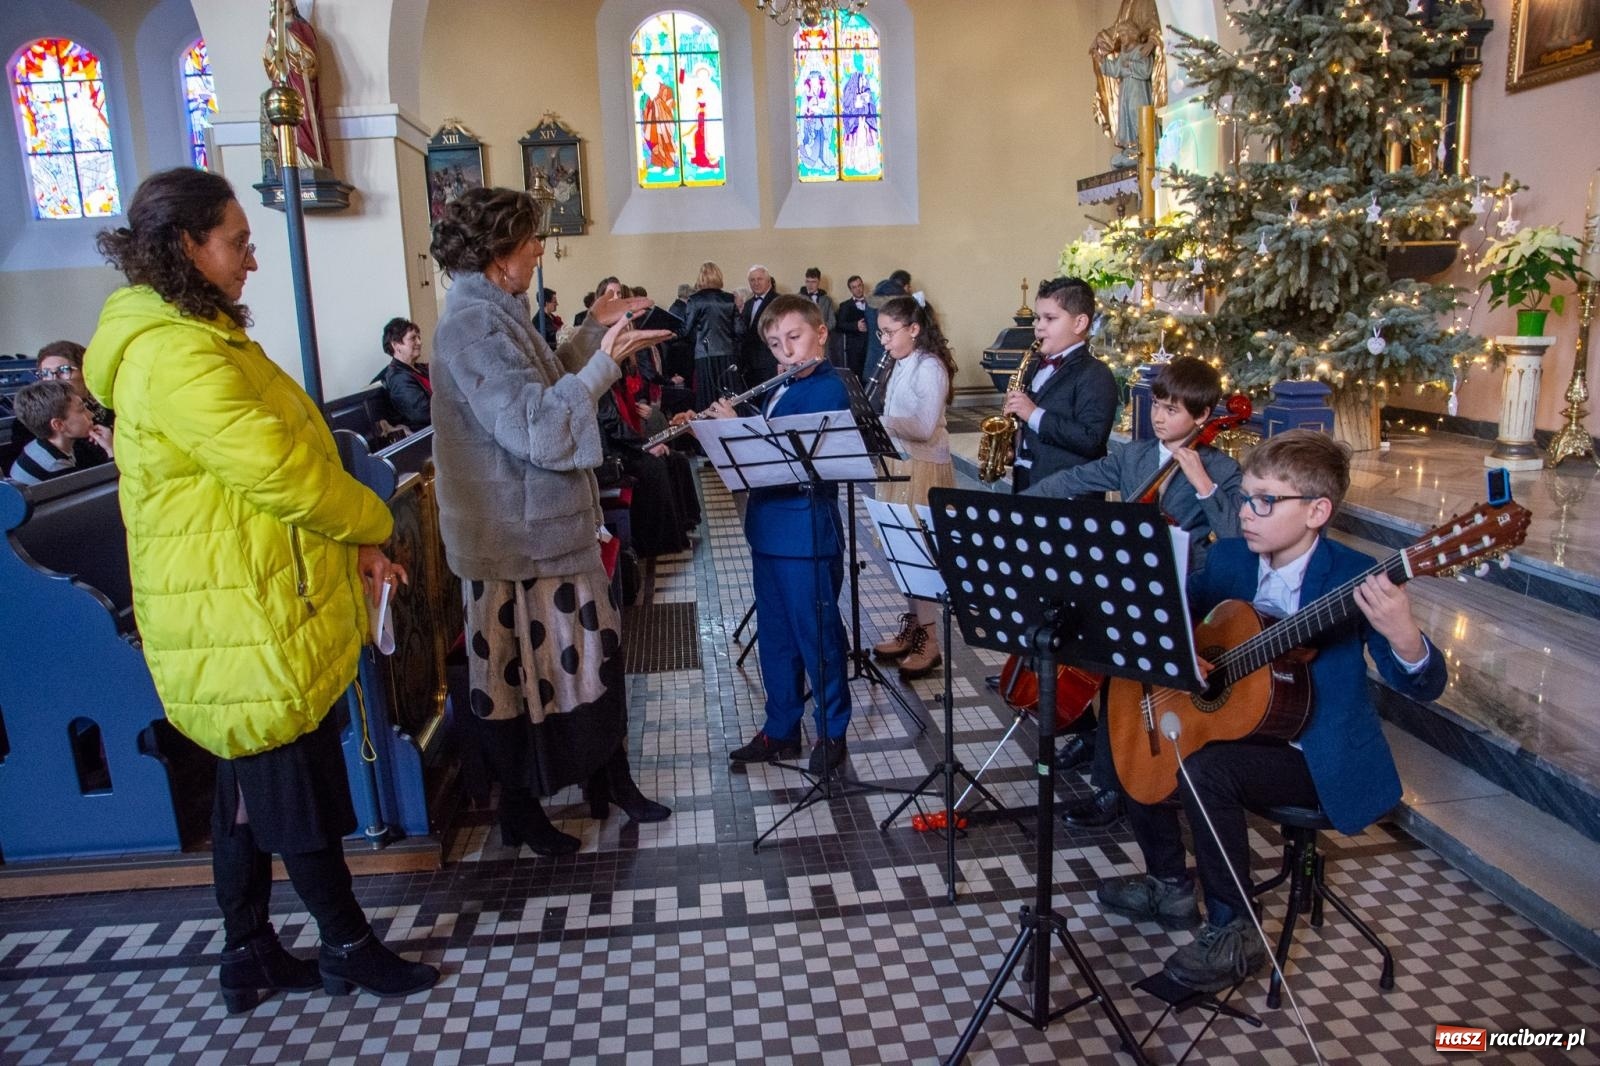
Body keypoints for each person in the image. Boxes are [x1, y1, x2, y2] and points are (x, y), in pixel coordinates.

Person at [82, 167, 436, 1008]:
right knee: (293, 782)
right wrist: (374, 523)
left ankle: (246, 952)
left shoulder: (197, 334)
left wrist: (347, 546)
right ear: (185, 247)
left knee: (247, 789)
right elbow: (279, 471)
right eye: (238, 243)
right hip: (234, 608)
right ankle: (347, 944)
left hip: (249, 595)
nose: (251, 260)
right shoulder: (173, 353)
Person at [1095, 430, 1447, 992]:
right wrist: (1185, 657)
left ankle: (1234, 930)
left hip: (1312, 750)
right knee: (1128, 717)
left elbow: (1425, 686)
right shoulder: (1233, 558)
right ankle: (1169, 883)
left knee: (1202, 766)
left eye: (1265, 501)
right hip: (1238, 723)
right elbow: (1177, 620)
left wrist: (1405, 636)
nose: (1247, 513)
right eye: (1244, 497)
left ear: (1317, 511)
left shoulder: (1354, 576)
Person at [428, 187, 674, 858]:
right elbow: (536, 427)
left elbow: (544, 385)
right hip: (516, 540)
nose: (540, 249)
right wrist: (604, 364)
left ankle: (609, 781)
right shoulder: (472, 326)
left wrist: (595, 333)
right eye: (530, 239)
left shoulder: (496, 313)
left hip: (540, 529)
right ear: (497, 251)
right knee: (516, 683)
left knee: (591, 663)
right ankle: (522, 813)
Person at [1026, 356, 1244, 830]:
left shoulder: (1222, 469)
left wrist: (1204, 485)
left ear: (1203, 417)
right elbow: (1075, 480)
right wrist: (1023, 503)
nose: (1159, 417)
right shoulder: (1136, 456)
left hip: (1187, 591)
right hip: (1131, 582)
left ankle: (1115, 786)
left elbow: (1237, 540)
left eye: (1172, 410)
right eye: (1157, 407)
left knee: (1127, 669)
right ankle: (1096, 735)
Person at [715, 295, 853, 775]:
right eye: (775, 344)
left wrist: (741, 428)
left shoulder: (829, 391)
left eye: (794, 339)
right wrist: (711, 433)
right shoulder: (778, 387)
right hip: (768, 531)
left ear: (821, 334)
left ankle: (832, 732)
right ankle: (781, 728)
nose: (786, 352)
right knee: (774, 636)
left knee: (818, 637)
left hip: (806, 533)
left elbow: (790, 461)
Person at [869, 295, 957, 680]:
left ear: (914, 330)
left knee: (919, 555)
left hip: (923, 468)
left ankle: (931, 642)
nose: (884, 341)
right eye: (881, 333)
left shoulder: (930, 367)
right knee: (900, 551)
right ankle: (914, 629)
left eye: (889, 333)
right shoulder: (902, 363)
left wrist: (882, 421)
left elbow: (922, 426)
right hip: (899, 463)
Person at [1004, 276, 1118, 493]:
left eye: (1050, 318)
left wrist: (1033, 414)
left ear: (1079, 323)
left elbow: (1091, 440)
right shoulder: (1034, 365)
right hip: (1026, 478)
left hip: (1065, 490)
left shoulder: (1095, 374)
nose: (1039, 328)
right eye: (1038, 318)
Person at [7, 379, 112, 484]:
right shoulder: (55, 465)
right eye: (82, 410)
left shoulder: (44, 445)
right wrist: (111, 450)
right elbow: (96, 493)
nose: (91, 414)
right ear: (59, 425)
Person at [682, 261, 739, 412]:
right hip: (727, 354)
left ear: (700, 278)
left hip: (704, 355)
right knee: (729, 398)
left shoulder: (695, 300)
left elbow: (685, 331)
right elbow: (740, 330)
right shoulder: (729, 299)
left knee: (707, 398)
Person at [372, 317, 431, 432]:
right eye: (413, 338)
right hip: (426, 436)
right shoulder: (397, 377)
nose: (420, 342)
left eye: (419, 337)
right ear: (396, 345)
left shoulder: (420, 368)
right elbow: (423, 414)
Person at [861, 269, 911, 386]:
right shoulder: (900, 304)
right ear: (906, 286)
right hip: (892, 361)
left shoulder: (873, 300)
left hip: (872, 360)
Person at [736, 265, 778, 388]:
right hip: (750, 364)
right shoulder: (748, 304)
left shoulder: (778, 301)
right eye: (752, 280)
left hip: (769, 362)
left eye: (759, 279)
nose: (756, 283)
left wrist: (780, 362)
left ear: (768, 281)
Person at [834, 275, 870, 382]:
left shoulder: (872, 303)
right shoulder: (844, 306)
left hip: (870, 346)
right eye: (854, 287)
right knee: (855, 378)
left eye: (859, 285)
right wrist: (856, 326)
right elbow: (839, 325)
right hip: (854, 349)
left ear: (862, 286)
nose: (858, 289)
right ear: (850, 289)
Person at [799, 268, 835, 346]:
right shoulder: (797, 299)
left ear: (819, 282)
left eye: (813, 282)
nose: (810, 285)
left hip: (823, 340)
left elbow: (832, 321)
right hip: (804, 340)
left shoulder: (827, 299)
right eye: (807, 281)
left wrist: (821, 330)